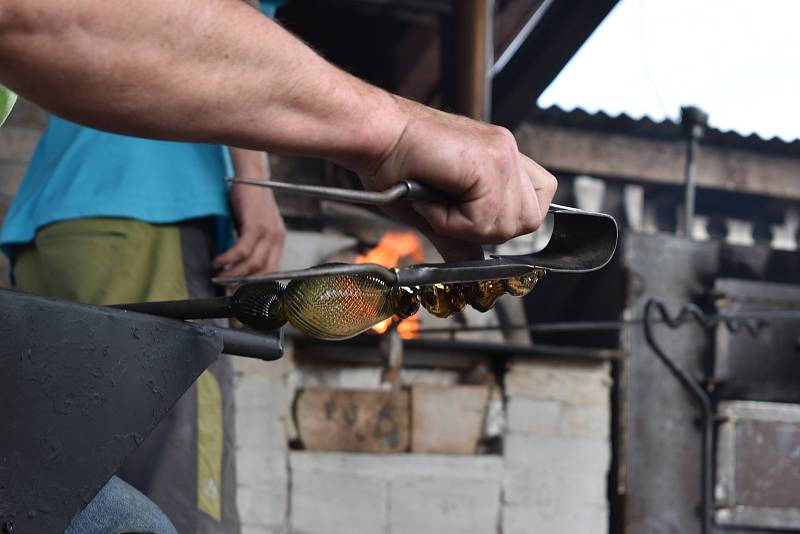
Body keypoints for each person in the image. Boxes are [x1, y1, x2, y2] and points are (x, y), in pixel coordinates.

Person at [1, 4, 287, 534]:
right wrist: (255, 186)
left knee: (58, 487)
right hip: (149, 204)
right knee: (174, 492)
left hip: (51, 222)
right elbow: (231, 34)